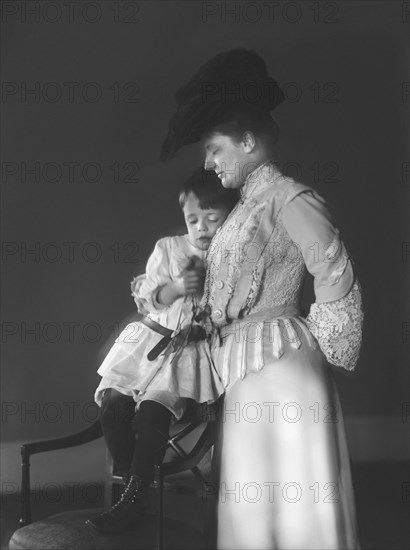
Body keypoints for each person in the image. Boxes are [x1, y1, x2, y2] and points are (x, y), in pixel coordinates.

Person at [161, 49, 364, 550]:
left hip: (283, 366)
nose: (207, 161)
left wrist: (327, 341)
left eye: (214, 148)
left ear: (248, 140)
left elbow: (333, 268)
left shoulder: (289, 198)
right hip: (246, 368)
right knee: (253, 495)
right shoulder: (238, 210)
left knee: (294, 493)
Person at [86, 168, 239, 535]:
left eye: (212, 219)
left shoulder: (232, 255)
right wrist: (175, 287)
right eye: (193, 220)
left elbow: (231, 308)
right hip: (150, 342)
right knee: (114, 403)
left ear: (230, 219)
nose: (201, 228)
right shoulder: (169, 248)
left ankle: (133, 499)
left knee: (154, 411)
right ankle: (131, 494)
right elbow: (149, 299)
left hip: (188, 352)